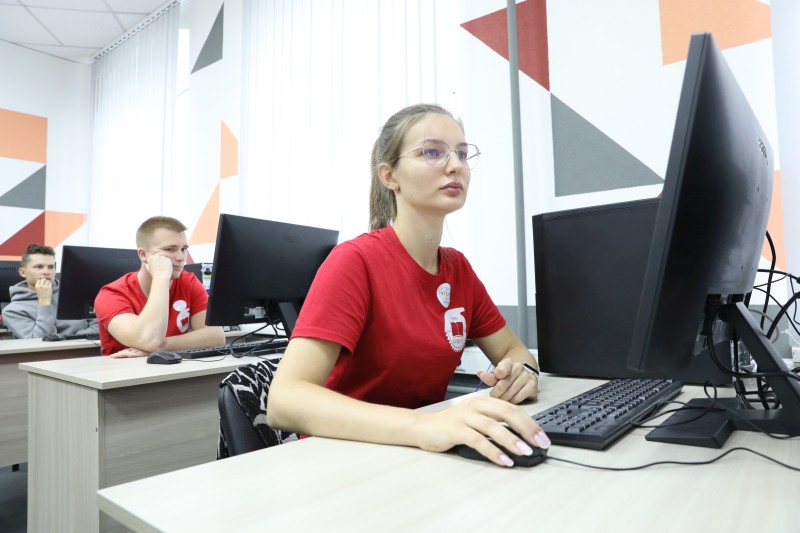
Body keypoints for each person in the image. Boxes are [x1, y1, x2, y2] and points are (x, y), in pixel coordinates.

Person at [268, 103, 549, 467]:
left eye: (462, 154)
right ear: (389, 176)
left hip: (417, 455)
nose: (455, 165)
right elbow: (285, 401)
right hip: (342, 458)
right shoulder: (354, 261)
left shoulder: (457, 269)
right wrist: (423, 426)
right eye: (432, 152)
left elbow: (514, 351)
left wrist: (522, 375)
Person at [94, 216, 225, 357]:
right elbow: (149, 340)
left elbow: (216, 336)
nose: (181, 257)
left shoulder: (188, 281)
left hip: (171, 365)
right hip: (125, 369)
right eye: (170, 249)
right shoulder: (110, 294)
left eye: (183, 249)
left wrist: (161, 346)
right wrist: (161, 277)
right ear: (143, 255)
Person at [1, 244, 99, 339]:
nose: (46, 272)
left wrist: (74, 339)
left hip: (84, 347)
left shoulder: (74, 293)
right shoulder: (12, 311)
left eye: (51, 267)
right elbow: (39, 340)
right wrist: (44, 303)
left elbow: (98, 325)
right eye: (39, 267)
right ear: (23, 272)